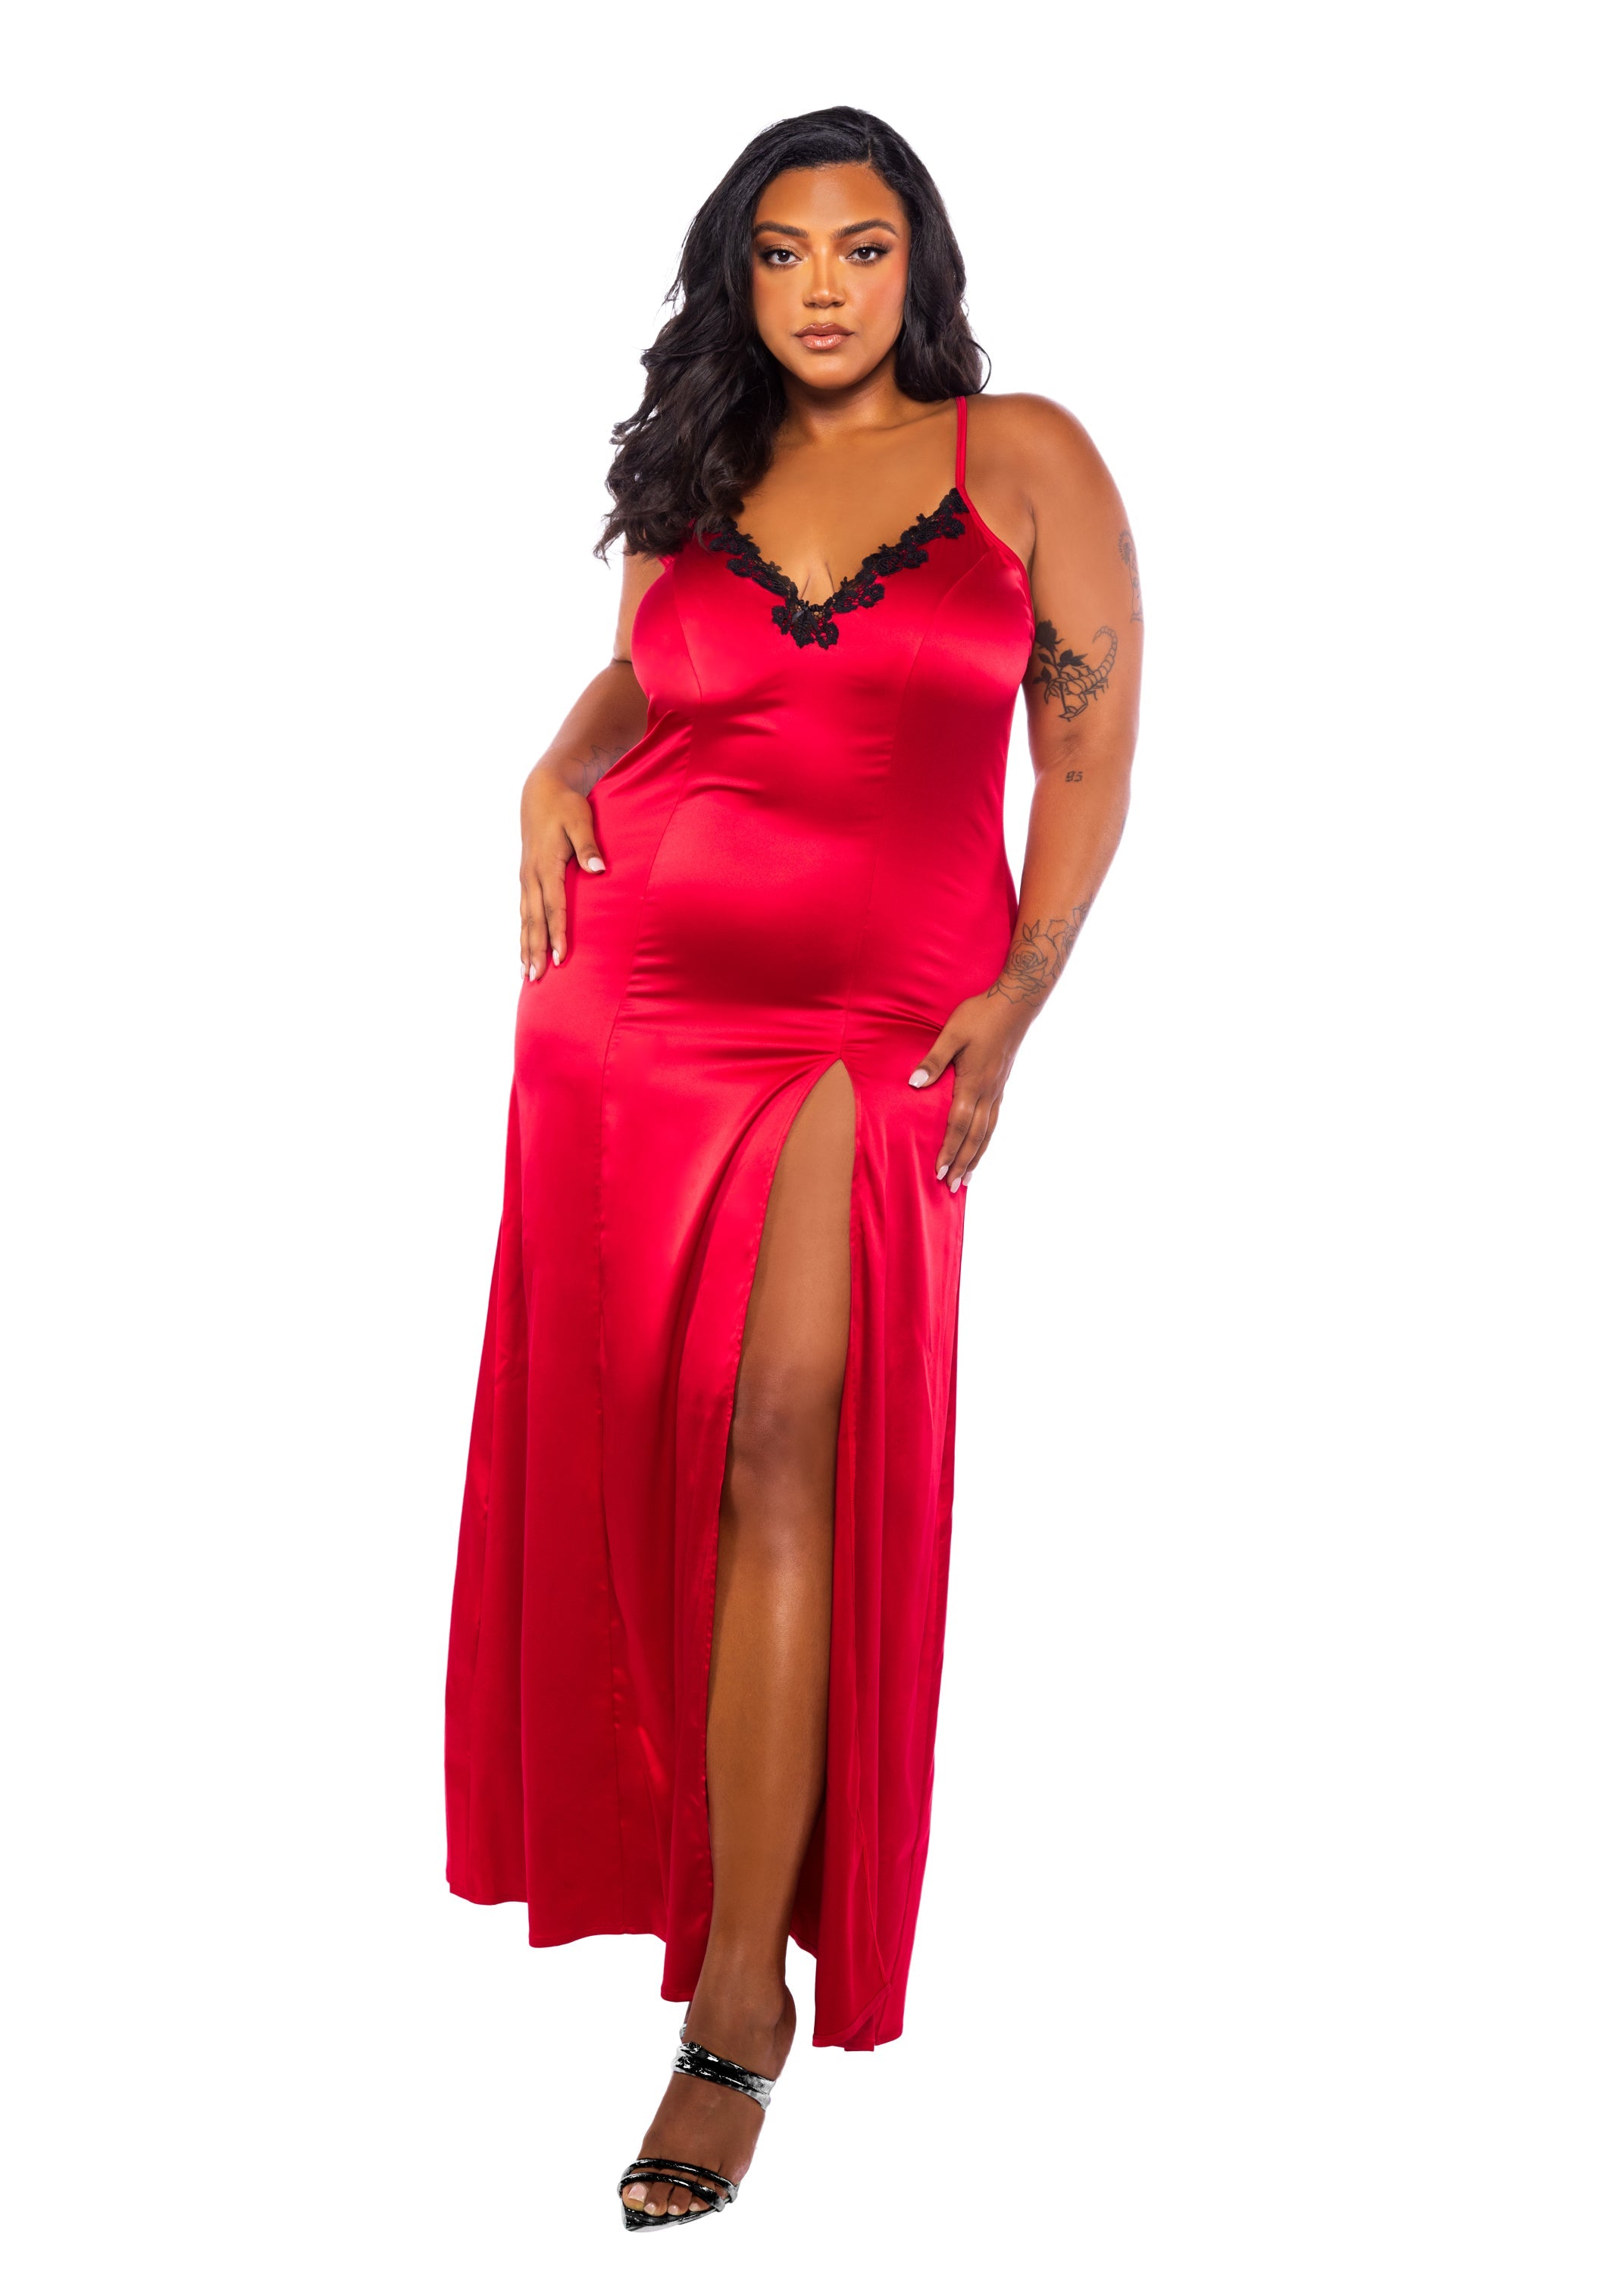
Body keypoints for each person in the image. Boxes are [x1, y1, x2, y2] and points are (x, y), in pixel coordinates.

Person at [443, 104, 1142, 2230]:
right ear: (735, 279)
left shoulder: (1022, 456)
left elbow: (1087, 752)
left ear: (918, 263)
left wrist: (1020, 996)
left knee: (781, 1443)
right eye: (780, 252)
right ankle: (681, 1885)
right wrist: (556, 762)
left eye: (859, 246)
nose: (822, 286)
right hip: (639, 1004)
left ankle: (736, 2004)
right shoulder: (703, 478)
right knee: (653, 1432)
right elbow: (646, 679)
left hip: (883, 1017)